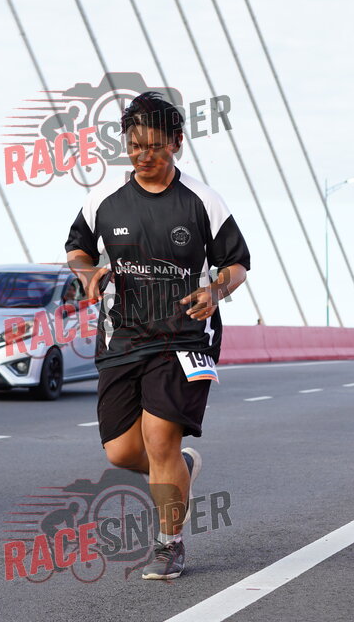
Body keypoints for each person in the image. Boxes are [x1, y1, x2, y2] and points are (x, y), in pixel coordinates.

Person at [64, 91, 250, 579]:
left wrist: (217, 289)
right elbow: (77, 248)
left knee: (159, 438)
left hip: (184, 335)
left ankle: (169, 545)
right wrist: (87, 273)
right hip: (122, 336)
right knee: (123, 452)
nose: (143, 156)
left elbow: (236, 263)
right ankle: (179, 468)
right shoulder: (103, 199)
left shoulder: (202, 201)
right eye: (134, 146)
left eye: (153, 146)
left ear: (176, 142)